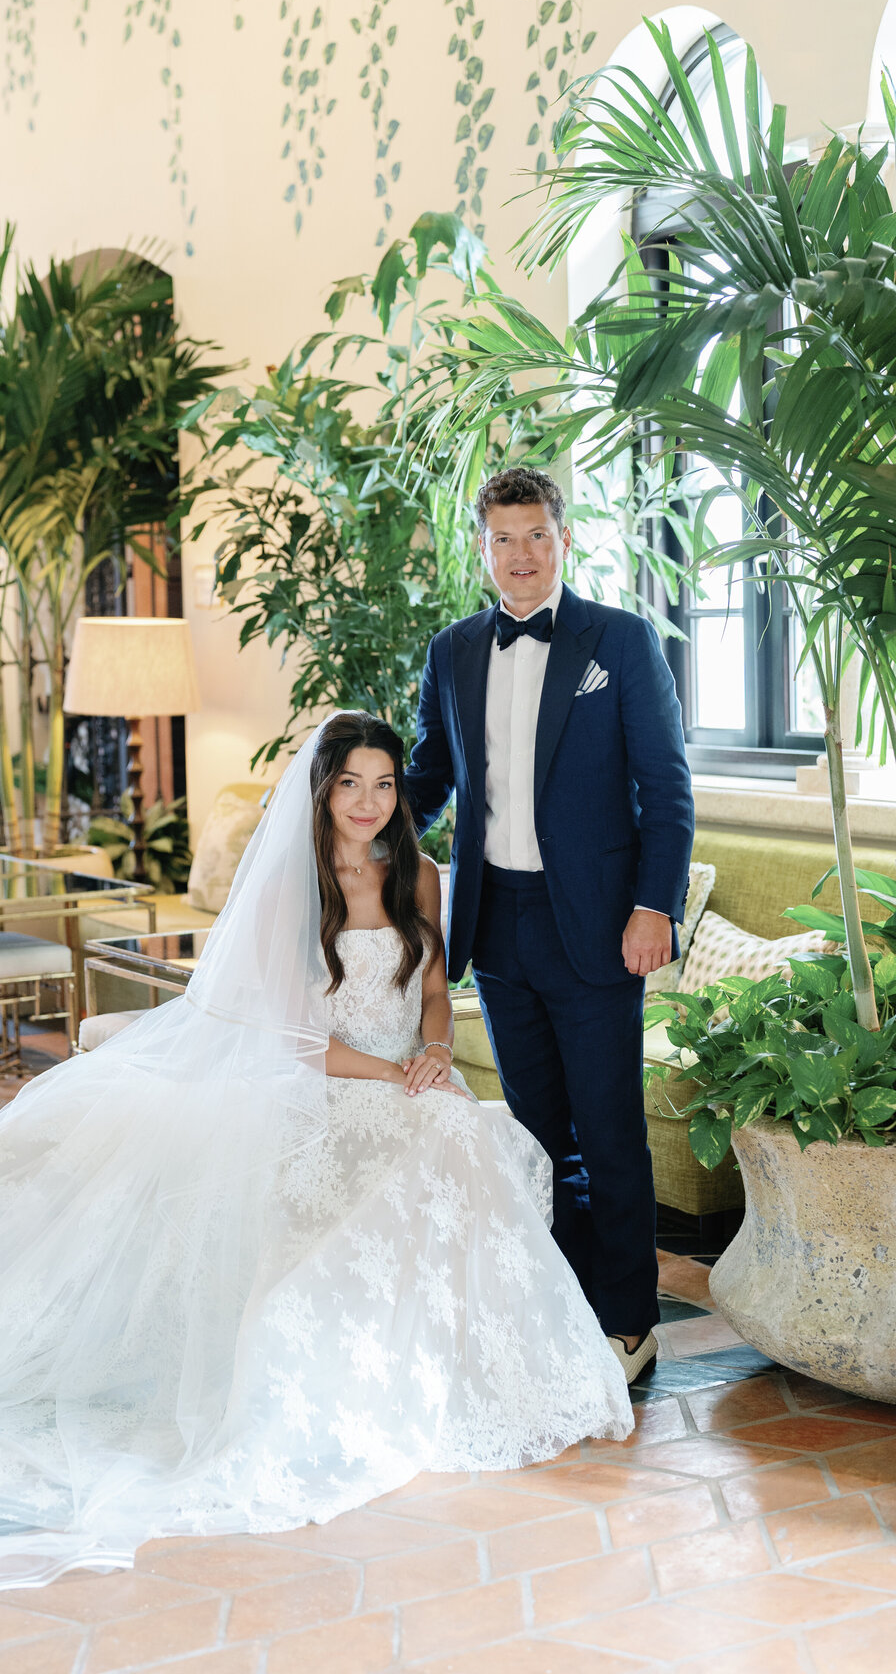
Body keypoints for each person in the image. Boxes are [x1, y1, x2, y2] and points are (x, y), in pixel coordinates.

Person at [0, 711, 630, 1630]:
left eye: (385, 785)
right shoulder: (296, 889)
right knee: (429, 1149)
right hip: (327, 1086)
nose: (370, 802)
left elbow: (434, 988)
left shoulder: (418, 873)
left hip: (407, 1080)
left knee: (475, 1140)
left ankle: (459, 1364)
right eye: (351, 783)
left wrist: (432, 1055)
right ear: (323, 789)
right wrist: (392, 1075)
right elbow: (296, 1041)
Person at [405, 469, 695, 1384]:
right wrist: (347, 808)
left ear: (564, 540)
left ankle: (629, 1323)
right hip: (497, 926)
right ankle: (562, 1306)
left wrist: (656, 907)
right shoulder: (452, 651)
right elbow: (428, 777)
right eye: (503, 539)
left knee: (608, 1130)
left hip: (602, 929)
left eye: (536, 536)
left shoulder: (622, 641)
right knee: (535, 1134)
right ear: (483, 547)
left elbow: (668, 791)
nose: (521, 556)